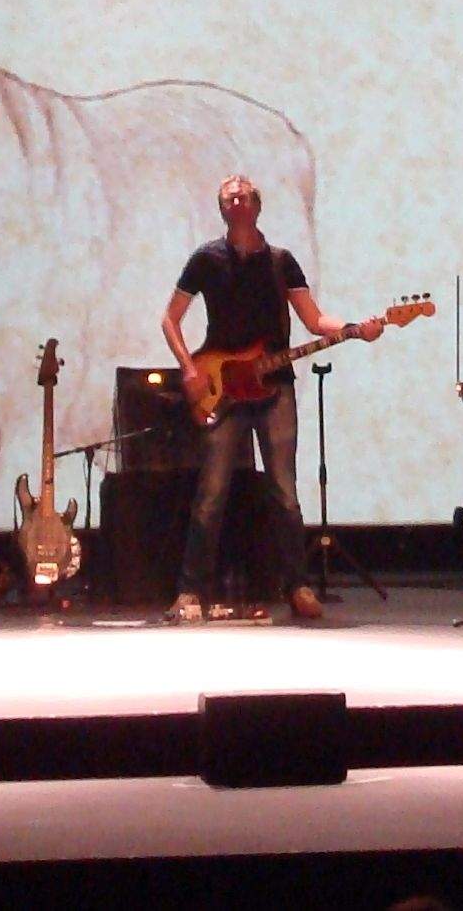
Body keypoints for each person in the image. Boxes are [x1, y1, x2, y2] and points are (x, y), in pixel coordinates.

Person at [163, 174, 383, 623]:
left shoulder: (282, 262)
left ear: (257, 205)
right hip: (222, 385)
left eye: (243, 195)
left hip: (274, 385)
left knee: (284, 492)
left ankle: (298, 587)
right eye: (229, 196)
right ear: (222, 208)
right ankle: (190, 591)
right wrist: (189, 368)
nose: (237, 201)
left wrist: (355, 329)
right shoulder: (205, 259)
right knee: (211, 493)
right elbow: (170, 320)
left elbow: (314, 319)